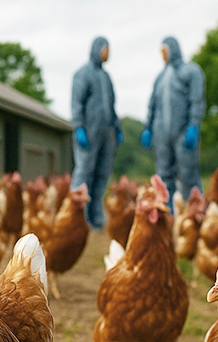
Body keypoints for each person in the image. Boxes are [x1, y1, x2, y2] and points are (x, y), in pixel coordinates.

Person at [141, 36, 206, 209]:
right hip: (162, 136)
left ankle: (194, 215)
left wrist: (194, 125)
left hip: (184, 132)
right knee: (163, 177)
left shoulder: (191, 71)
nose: (163, 55)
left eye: (164, 51)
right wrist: (148, 127)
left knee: (188, 176)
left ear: (172, 49)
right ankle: (167, 218)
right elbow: (152, 105)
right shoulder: (160, 78)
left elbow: (196, 101)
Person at [71, 36, 123, 229]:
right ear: (97, 49)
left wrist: (117, 127)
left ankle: (96, 215)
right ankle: (77, 216)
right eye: (105, 49)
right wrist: (78, 128)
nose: (107, 53)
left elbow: (111, 105)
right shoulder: (83, 74)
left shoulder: (106, 77)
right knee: (84, 171)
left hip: (107, 133)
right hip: (88, 131)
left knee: (102, 173)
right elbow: (76, 103)